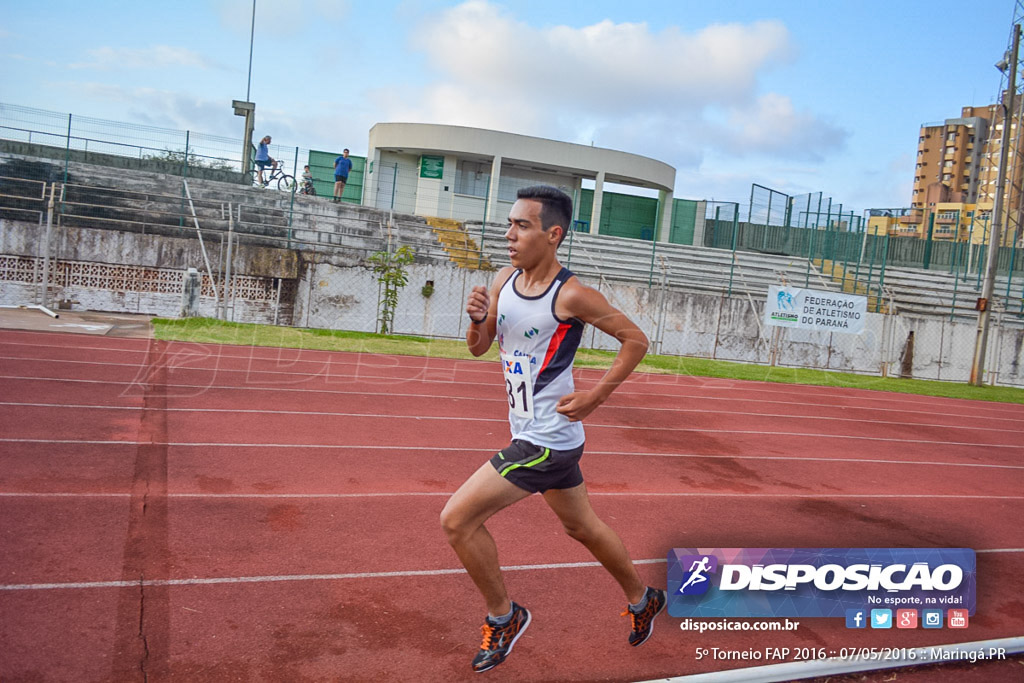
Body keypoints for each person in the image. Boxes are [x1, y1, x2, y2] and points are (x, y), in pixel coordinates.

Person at [440, 185, 666, 673]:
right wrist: (477, 319)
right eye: (509, 224)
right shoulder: (502, 279)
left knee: (456, 520)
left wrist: (596, 395)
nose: (509, 234)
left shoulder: (571, 294)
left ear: (553, 234)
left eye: (522, 225)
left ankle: (504, 617)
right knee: (580, 526)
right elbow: (479, 347)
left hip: (546, 439)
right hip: (539, 433)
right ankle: (643, 597)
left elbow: (635, 339)